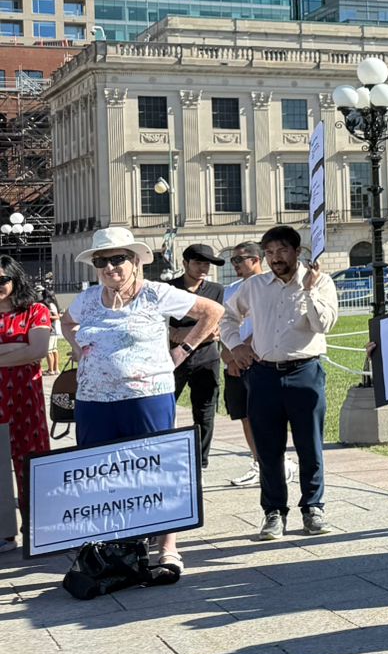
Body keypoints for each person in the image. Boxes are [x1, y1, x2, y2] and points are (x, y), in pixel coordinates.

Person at [61, 227, 223, 581]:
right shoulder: (89, 299)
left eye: (117, 259)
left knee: (156, 469)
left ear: (135, 261)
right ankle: (110, 543)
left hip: (146, 397)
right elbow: (66, 321)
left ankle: (167, 547)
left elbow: (212, 312)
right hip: (93, 399)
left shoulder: (156, 294)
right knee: (99, 473)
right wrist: (77, 347)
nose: (109, 267)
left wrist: (183, 349)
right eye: (101, 261)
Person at [221, 224, 340, 541]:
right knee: (268, 450)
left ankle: (313, 508)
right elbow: (227, 316)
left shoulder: (320, 282)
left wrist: (310, 290)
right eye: (269, 252)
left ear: (297, 252)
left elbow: (323, 324)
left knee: (309, 446)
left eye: (282, 251)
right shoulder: (255, 286)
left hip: (305, 373)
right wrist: (235, 345)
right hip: (264, 374)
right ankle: (274, 513)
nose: (275, 258)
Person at [0, 254, 56, 549]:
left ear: (15, 279)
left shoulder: (36, 310)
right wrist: (16, 348)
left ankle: (38, 527)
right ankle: (4, 531)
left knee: (30, 459)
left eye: (2, 280)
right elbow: (27, 348)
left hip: (25, 396)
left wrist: (8, 349)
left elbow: (38, 351)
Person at [166, 244, 227, 471]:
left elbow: (215, 327)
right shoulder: (169, 288)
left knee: (205, 409)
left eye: (206, 264)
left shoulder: (216, 289)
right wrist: (177, 334)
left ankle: (200, 459)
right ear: (185, 264)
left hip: (206, 356)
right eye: (198, 262)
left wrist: (186, 334)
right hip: (173, 356)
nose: (203, 268)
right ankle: (166, 452)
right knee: (165, 404)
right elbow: (164, 324)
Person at [218, 242, 272, 490]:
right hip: (235, 361)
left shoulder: (271, 286)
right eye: (233, 261)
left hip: (261, 360)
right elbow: (223, 325)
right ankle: (257, 462)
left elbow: (267, 324)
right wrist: (229, 357)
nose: (235, 265)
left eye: (239, 260)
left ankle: (276, 462)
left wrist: (245, 351)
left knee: (267, 416)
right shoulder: (231, 290)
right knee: (245, 416)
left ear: (256, 259)